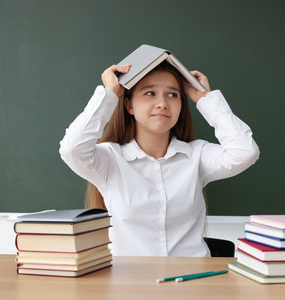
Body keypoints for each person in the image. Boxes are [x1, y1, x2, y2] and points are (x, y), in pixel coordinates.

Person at [59, 60, 259, 256]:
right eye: (150, 93)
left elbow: (245, 152)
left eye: (173, 95)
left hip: (192, 279)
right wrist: (110, 94)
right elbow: (72, 149)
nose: (162, 104)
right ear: (129, 105)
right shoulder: (110, 158)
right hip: (128, 281)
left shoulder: (197, 155)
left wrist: (206, 99)